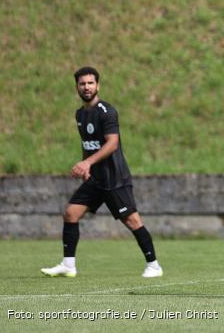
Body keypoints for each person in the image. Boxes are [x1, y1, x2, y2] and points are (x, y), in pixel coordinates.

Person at [41, 67, 163, 279]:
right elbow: (89, 145)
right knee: (71, 213)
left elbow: (112, 144)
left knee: (132, 221)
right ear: (77, 87)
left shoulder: (107, 111)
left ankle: (154, 265)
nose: (86, 87)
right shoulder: (80, 114)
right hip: (95, 179)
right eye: (82, 84)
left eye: (90, 83)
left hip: (114, 178)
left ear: (98, 85)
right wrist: (87, 166)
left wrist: (87, 162)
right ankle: (68, 265)